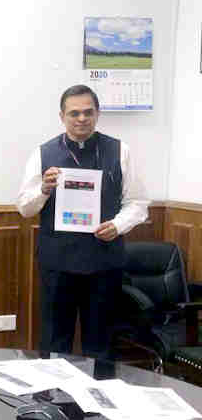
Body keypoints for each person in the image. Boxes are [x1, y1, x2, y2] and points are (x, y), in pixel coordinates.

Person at [16, 84, 148, 359]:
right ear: (62, 116)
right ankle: (52, 400)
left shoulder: (120, 150)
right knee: (54, 342)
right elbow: (25, 209)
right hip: (57, 264)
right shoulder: (43, 154)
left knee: (100, 343)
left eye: (88, 112)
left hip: (103, 262)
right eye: (74, 113)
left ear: (98, 114)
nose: (81, 119)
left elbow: (138, 203)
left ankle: (99, 400)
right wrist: (44, 188)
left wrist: (118, 225)